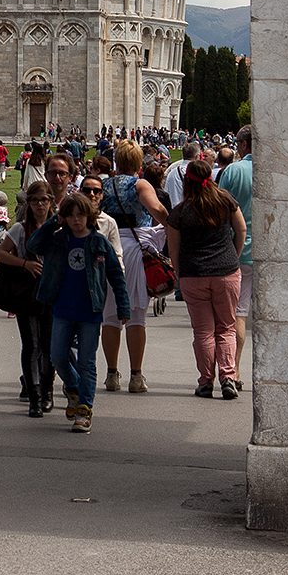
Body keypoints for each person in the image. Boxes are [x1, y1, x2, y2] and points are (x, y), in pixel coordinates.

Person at [27, 189, 128, 433]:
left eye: (80, 215)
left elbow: (116, 276)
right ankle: (73, 387)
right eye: (70, 215)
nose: (75, 220)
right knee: (58, 357)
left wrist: (123, 306)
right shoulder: (58, 239)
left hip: (90, 311)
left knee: (87, 362)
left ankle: (84, 408)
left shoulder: (99, 242)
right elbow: (33, 244)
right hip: (62, 309)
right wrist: (53, 221)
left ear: (89, 216)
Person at [168, 160, 246, 399]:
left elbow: (174, 248)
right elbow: (241, 229)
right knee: (226, 327)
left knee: (203, 331)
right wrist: (233, 255)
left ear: (186, 182)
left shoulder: (180, 212)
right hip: (226, 271)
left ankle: (205, 381)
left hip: (194, 273)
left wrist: (180, 272)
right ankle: (228, 377)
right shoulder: (225, 201)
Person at [97, 142, 168, 394]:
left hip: (109, 245)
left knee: (110, 314)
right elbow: (157, 209)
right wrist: (171, 225)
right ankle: (136, 375)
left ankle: (111, 373)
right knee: (136, 314)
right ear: (138, 163)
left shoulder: (104, 185)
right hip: (135, 248)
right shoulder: (140, 185)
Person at [0, 178, 55, 416]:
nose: (40, 204)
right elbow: (1, 253)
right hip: (27, 292)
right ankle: (35, 395)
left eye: (44, 200)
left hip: (52, 292)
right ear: (28, 203)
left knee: (49, 346)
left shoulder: (58, 228)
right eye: (35, 200)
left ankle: (48, 391)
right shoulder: (20, 229)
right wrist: (24, 263)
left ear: (50, 202)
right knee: (31, 344)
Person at [216, 127, 254, 389]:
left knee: (237, 314)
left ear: (243, 144)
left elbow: (219, 211)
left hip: (238, 248)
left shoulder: (233, 171)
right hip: (269, 250)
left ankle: (234, 369)